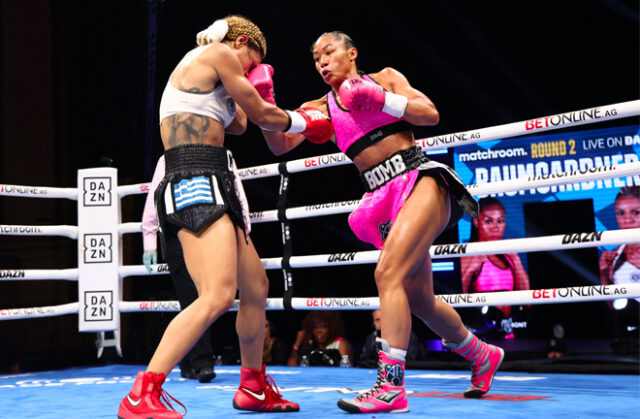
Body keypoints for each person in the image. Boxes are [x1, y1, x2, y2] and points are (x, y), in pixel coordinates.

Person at [258, 31, 504, 413]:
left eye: (329, 52)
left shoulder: (385, 78)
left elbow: (430, 114)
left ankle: (390, 387)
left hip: (420, 179)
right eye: (316, 58)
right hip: (381, 197)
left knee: (387, 274)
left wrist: (380, 99)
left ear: (351, 53)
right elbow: (280, 144)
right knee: (420, 299)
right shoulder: (320, 106)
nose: (322, 61)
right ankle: (482, 354)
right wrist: (264, 101)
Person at [118, 15, 333, 419]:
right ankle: (141, 394)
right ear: (239, 42)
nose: (251, 69)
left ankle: (252, 386)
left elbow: (239, 123)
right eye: (252, 59)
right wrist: (307, 119)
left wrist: (257, 92)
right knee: (217, 295)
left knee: (255, 286)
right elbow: (265, 117)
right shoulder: (215, 53)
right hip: (192, 173)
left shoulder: (217, 74)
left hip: (216, 174)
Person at [141, 155, 215, 383]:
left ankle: (188, 360)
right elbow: (154, 199)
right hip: (176, 236)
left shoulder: (218, 153)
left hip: (209, 231)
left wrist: (244, 228)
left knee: (208, 298)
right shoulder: (167, 159)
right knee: (192, 299)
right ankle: (201, 362)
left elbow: (233, 189)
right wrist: (149, 242)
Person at [460, 197, 530, 319]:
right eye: (489, 221)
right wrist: (470, 269)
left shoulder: (508, 255)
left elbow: (527, 301)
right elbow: (457, 301)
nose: (495, 227)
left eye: (501, 221)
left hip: (509, 333)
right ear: (476, 222)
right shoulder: (469, 255)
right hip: (480, 333)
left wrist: (516, 259)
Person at [599, 186, 640, 302]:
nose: (627, 220)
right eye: (621, 213)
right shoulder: (613, 256)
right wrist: (603, 273)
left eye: (636, 212)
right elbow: (611, 309)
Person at [358, 309, 424, 368]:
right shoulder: (371, 338)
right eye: (377, 320)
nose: (381, 323)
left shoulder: (407, 335)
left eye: (384, 319)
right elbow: (363, 361)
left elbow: (410, 360)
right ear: (373, 323)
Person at [287, 311, 351, 367]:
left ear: (331, 328)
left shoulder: (340, 343)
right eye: (315, 327)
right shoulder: (310, 343)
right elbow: (291, 368)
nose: (319, 331)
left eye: (324, 326)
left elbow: (346, 370)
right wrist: (297, 342)